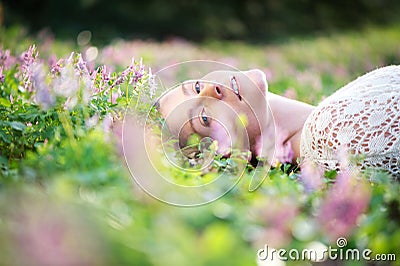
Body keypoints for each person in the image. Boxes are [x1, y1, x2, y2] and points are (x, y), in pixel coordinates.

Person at [158, 66, 400, 177]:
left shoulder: (326, 122)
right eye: (204, 117)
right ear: (228, 151)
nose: (212, 89)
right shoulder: (331, 136)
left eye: (197, 86)